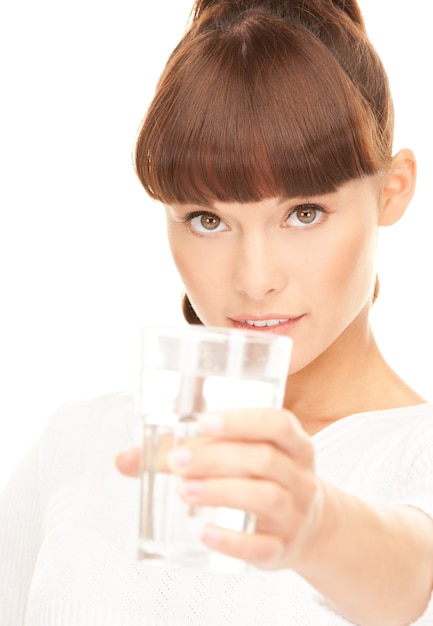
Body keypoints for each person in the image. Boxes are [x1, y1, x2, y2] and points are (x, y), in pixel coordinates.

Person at [1, 0, 432, 624]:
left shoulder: (416, 454)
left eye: (303, 213)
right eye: (207, 220)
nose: (254, 280)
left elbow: (416, 576)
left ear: (392, 190)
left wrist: (316, 526)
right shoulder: (79, 444)